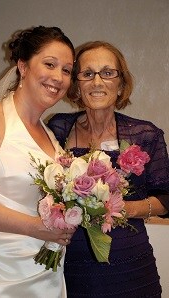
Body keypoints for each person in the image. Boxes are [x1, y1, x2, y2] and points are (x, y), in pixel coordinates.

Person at [48, 41, 169, 297]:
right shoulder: (59, 128)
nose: (97, 82)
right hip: (73, 261)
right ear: (77, 86)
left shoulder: (145, 134)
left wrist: (126, 208)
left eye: (107, 72)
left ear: (121, 83)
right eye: (87, 73)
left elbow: (167, 198)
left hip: (130, 262)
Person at [0, 26, 76, 297]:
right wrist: (35, 227)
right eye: (50, 64)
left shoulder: (50, 137)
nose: (59, 77)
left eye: (66, 70)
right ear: (23, 66)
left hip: (44, 275)